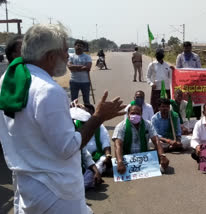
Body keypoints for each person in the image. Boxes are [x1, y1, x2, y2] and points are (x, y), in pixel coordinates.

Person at [0, 24, 125, 213]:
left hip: (27, 187)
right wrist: (98, 117)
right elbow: (67, 148)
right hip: (55, 192)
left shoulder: (8, 81)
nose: (68, 56)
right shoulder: (48, 90)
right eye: (65, 51)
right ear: (50, 57)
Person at [113, 104, 169, 174]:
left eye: (137, 113)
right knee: (113, 167)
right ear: (128, 114)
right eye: (133, 113)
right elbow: (118, 145)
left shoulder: (148, 124)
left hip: (143, 156)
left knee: (162, 158)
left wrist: (162, 155)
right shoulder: (121, 126)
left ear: (141, 114)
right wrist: (120, 161)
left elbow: (156, 140)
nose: (135, 115)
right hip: (127, 157)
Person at [70, 103, 113, 176]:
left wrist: (108, 155)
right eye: (84, 111)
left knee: (102, 161)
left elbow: (105, 141)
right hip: (81, 158)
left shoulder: (99, 125)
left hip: (97, 156)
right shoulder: (74, 124)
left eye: (89, 112)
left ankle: (94, 174)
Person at [175, 41, 202, 119]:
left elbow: (199, 68)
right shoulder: (180, 57)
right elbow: (177, 69)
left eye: (189, 47)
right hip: (184, 82)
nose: (187, 49)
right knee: (185, 98)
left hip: (194, 82)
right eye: (185, 47)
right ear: (183, 48)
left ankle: (197, 117)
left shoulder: (196, 56)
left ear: (191, 48)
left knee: (196, 99)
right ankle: (184, 117)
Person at [146, 49, 172, 113]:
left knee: (166, 106)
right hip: (156, 88)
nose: (159, 55)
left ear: (163, 55)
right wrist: (151, 84)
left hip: (166, 89)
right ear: (155, 55)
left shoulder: (167, 65)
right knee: (155, 107)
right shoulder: (152, 64)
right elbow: (147, 76)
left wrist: (173, 70)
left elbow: (171, 77)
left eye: (160, 54)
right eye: (157, 54)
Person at [67, 39, 92, 104]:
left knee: (86, 101)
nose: (79, 47)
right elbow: (70, 67)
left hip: (85, 82)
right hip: (74, 82)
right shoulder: (71, 57)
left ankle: (88, 113)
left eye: (81, 46)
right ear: (74, 46)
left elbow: (88, 67)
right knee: (73, 101)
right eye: (77, 45)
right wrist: (82, 67)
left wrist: (75, 67)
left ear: (83, 48)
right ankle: (74, 113)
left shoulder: (87, 57)